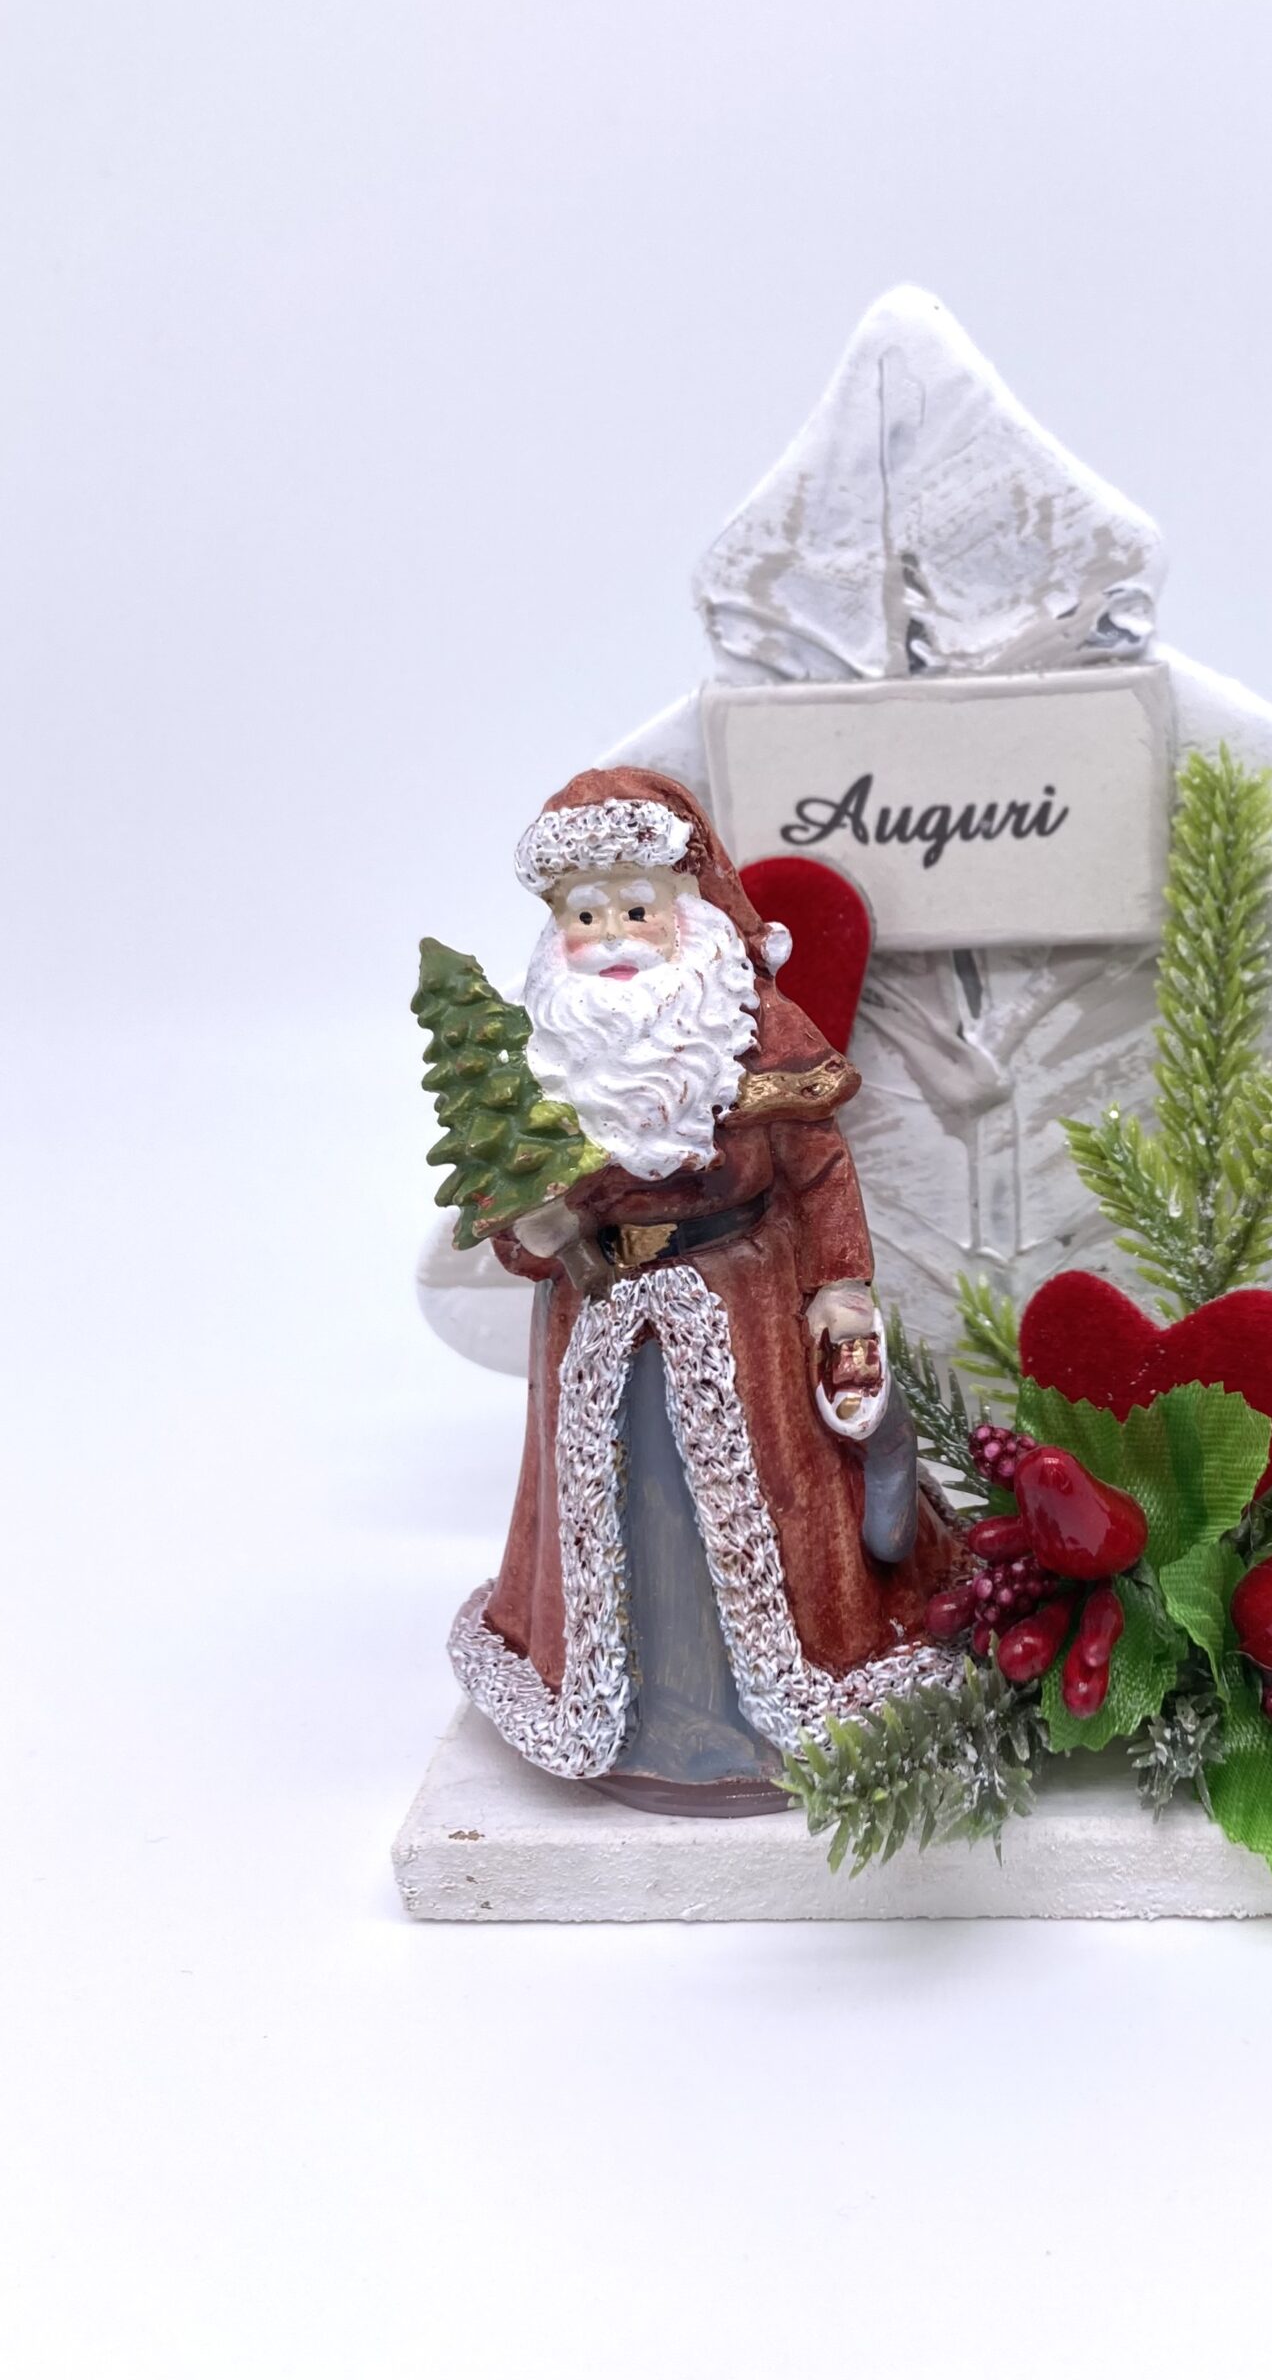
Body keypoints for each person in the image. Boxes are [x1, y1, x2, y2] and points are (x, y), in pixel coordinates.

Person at [447, 765, 951, 1813]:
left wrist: (841, 1285)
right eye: (586, 916)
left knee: (770, 1500)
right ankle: (641, 1719)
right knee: (622, 1509)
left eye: (637, 910)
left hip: (744, 1301)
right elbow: (509, 1196)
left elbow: (816, 1165)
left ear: (688, 908)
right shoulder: (545, 1053)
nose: (614, 937)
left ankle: (770, 1710)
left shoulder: (750, 1029)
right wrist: (530, 1232)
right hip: (594, 1315)